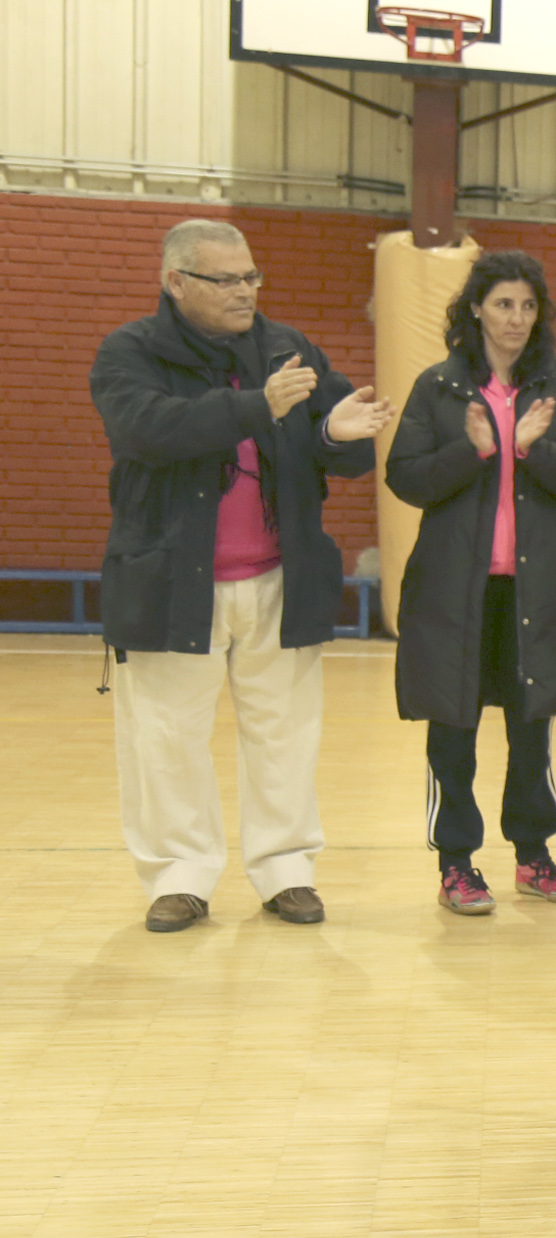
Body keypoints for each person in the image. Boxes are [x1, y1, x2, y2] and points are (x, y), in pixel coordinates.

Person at [91, 219, 395, 932]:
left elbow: (338, 442)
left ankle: (286, 871)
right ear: (176, 282)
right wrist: (261, 404)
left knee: (285, 735)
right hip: (171, 582)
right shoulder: (130, 352)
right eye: (225, 279)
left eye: (251, 276)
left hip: (280, 580)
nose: (245, 291)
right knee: (166, 738)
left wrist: (338, 433)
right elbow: (150, 429)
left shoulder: (289, 349)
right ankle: (180, 876)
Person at [385, 251, 556, 916]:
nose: (516, 318)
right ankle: (456, 863)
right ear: (476, 309)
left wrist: (534, 447)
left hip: (536, 590)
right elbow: (406, 477)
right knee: (451, 730)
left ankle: (533, 856)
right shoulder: (438, 387)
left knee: (531, 728)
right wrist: (475, 450)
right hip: (455, 591)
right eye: (503, 304)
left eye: (527, 306)